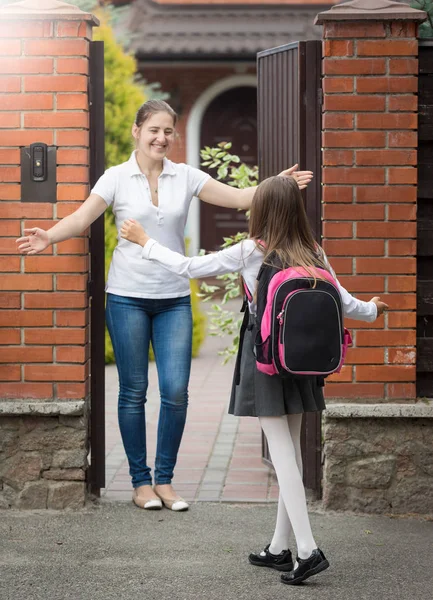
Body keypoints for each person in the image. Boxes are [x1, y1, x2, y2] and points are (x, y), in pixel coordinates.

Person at [15, 100, 313, 512]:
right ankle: (140, 482)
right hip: (126, 296)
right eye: (154, 129)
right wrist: (48, 236)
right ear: (137, 131)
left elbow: (240, 199)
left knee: (175, 392)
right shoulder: (116, 178)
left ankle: (166, 480)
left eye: (168, 131)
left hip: (173, 297)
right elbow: (83, 219)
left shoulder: (186, 176)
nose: (162, 138)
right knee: (133, 391)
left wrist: (274, 185)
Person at [119, 174, 388, 584]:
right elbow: (345, 301)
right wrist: (372, 310)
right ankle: (281, 548)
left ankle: (307, 549)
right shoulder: (314, 251)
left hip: (265, 359)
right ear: (297, 212)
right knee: (290, 452)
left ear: (260, 212)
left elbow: (191, 267)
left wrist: (145, 242)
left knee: (282, 454)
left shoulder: (250, 250)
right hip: (303, 364)